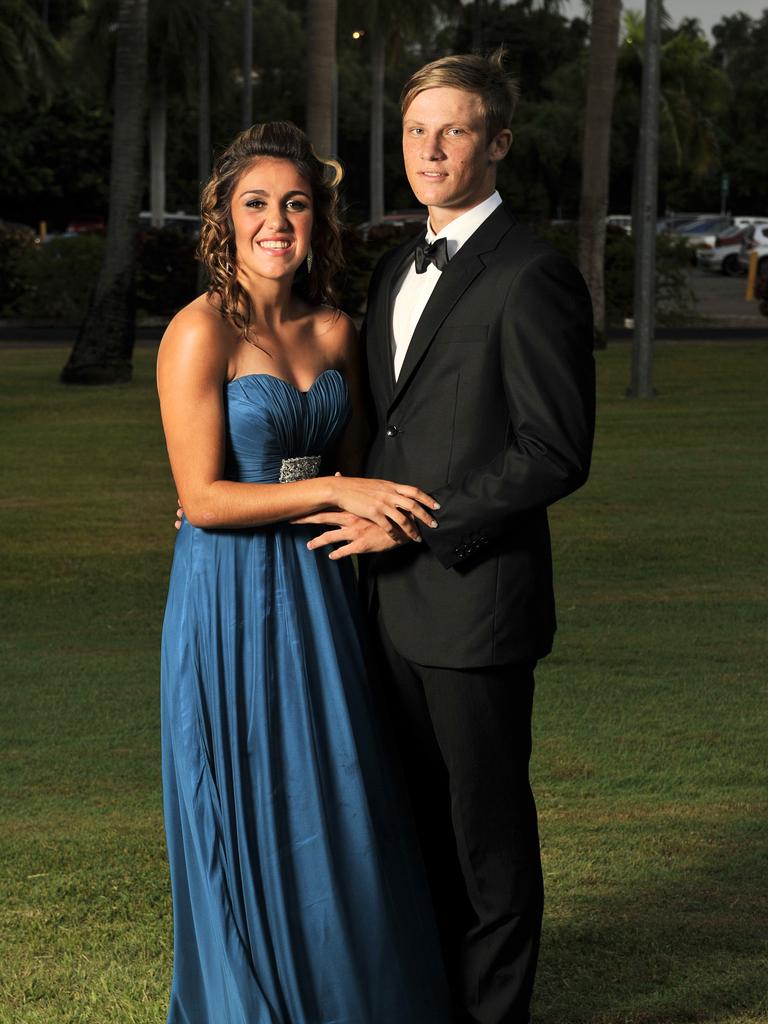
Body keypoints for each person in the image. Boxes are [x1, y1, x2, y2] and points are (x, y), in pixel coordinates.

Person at [300, 51, 596, 1024]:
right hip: (384, 610)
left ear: (498, 143)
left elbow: (553, 449)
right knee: (415, 825)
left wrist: (419, 519)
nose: (431, 149)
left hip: (475, 602)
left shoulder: (533, 272)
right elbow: (374, 428)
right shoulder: (393, 265)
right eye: (417, 130)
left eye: (456, 129)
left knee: (487, 841)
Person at [157, 121, 451, 1024]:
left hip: (323, 595)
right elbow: (203, 498)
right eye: (257, 204)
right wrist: (333, 486)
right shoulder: (199, 331)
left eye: (295, 203)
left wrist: (350, 495)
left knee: (332, 793)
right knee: (241, 799)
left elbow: (356, 475)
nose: (277, 220)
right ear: (225, 219)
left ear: (317, 219)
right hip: (226, 597)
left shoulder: (336, 330)